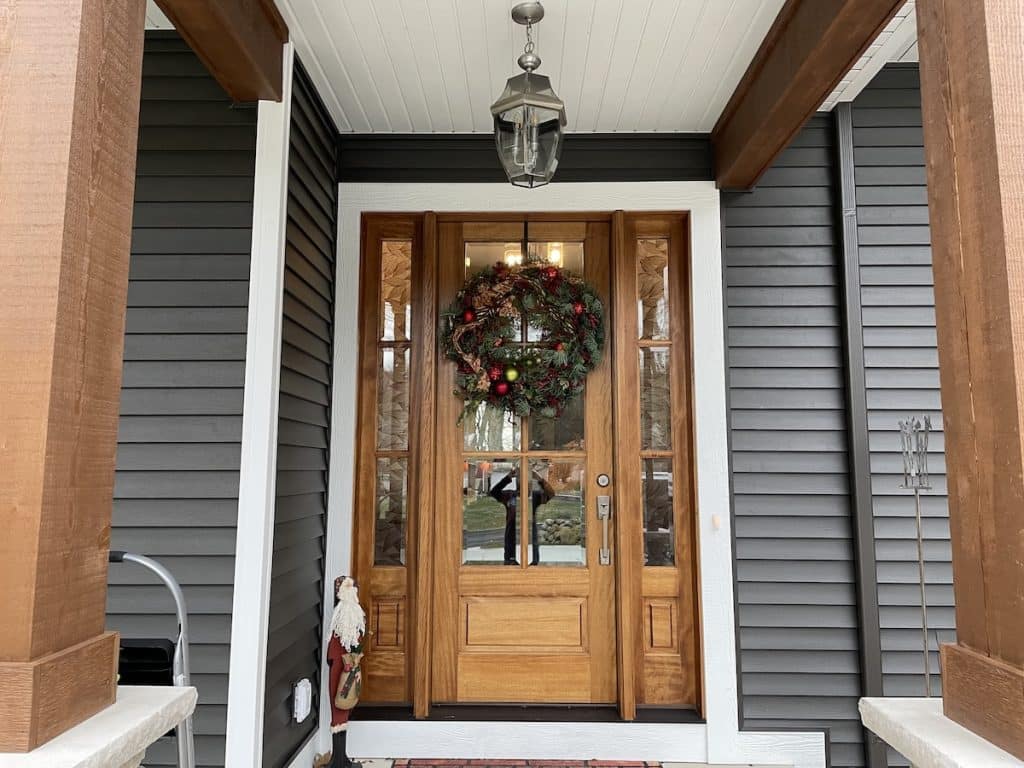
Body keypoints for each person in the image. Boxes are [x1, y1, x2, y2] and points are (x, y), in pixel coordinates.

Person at [326, 576, 365, 768]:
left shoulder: (348, 617)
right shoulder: (345, 619)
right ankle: (338, 759)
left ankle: (340, 758)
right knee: (340, 708)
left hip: (344, 669)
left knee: (342, 709)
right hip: (341, 670)